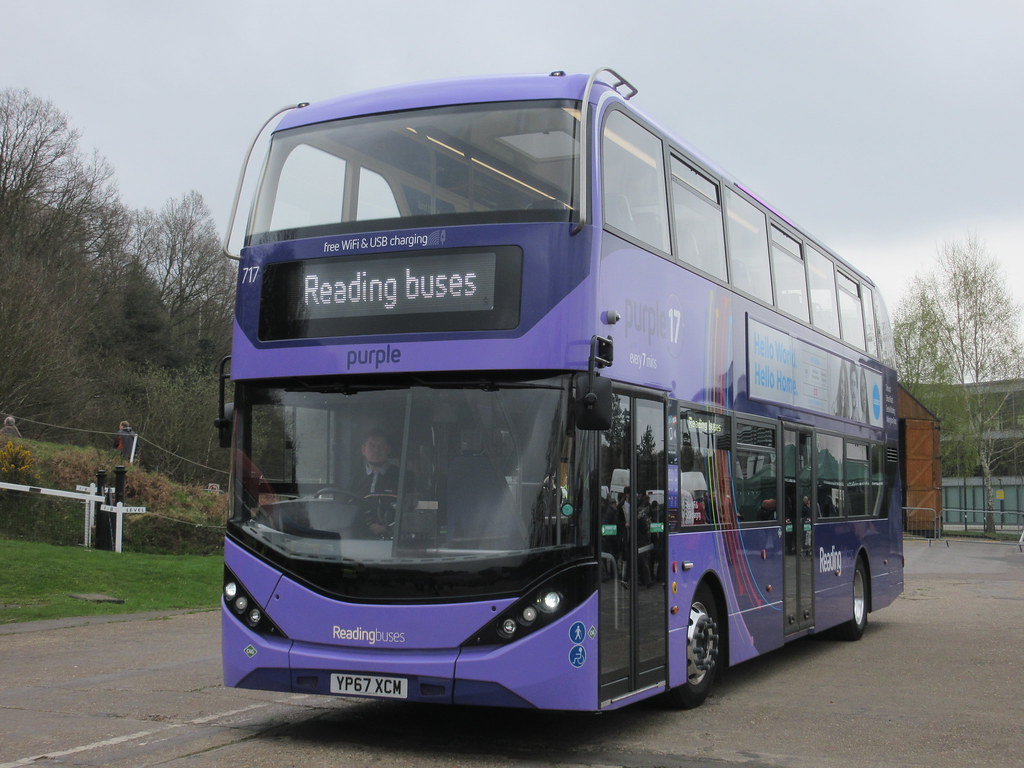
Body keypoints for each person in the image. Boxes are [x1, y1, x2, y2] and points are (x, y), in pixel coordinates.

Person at [351, 429, 402, 538]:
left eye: (381, 446)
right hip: (356, 538)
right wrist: (367, 525)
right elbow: (344, 508)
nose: (376, 450)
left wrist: (389, 527)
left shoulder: (404, 477)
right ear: (363, 450)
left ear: (388, 450)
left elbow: (416, 507)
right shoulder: (353, 479)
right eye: (372, 446)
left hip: (394, 540)